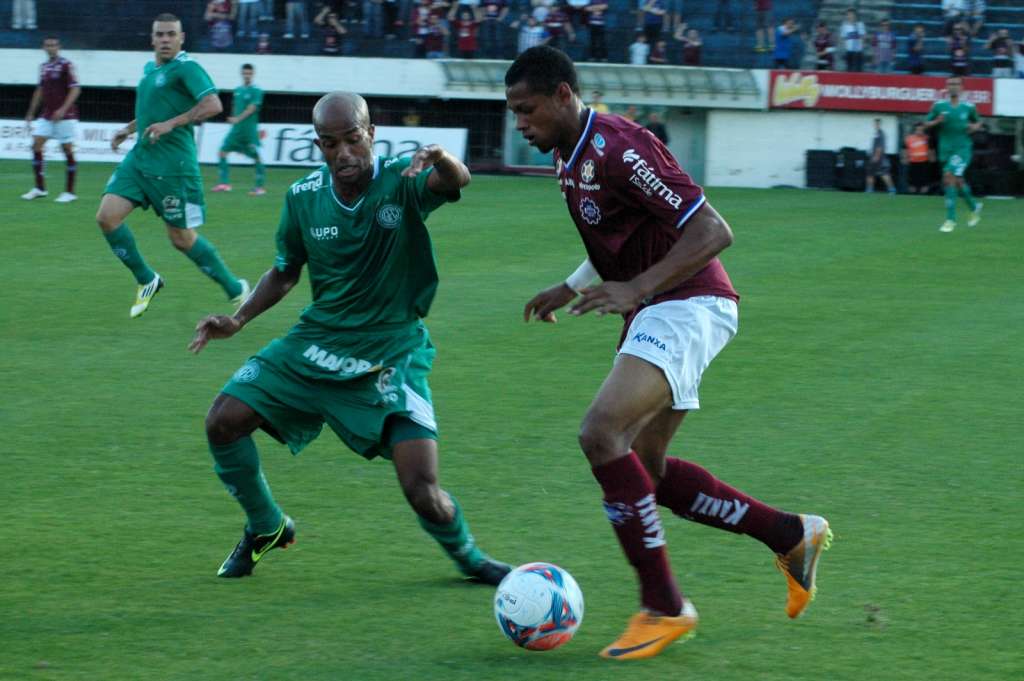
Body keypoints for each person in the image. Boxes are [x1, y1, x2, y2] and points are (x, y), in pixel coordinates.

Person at [505, 45, 831, 661]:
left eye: (528, 110)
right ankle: (789, 533)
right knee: (645, 471)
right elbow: (622, 231)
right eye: (514, 113)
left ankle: (664, 606)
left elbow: (712, 230)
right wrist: (570, 285)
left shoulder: (620, 147)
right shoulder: (568, 155)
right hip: (657, 307)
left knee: (601, 434)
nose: (521, 123)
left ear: (564, 96)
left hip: (688, 305)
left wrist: (635, 288)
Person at [188, 91, 511, 585]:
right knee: (222, 421)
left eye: (352, 140)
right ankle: (267, 526)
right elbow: (285, 272)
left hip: (390, 349)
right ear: (318, 144)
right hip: (315, 342)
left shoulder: (401, 180)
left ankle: (469, 558)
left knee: (422, 487)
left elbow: (454, 181)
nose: (343, 153)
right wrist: (240, 319)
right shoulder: (302, 197)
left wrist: (442, 156)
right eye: (330, 143)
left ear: (371, 134)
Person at [96, 14, 249, 318]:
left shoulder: (187, 68)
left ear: (181, 39)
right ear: (152, 39)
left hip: (173, 167)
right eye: (160, 35)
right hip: (140, 161)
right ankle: (147, 279)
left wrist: (172, 123)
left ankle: (236, 289)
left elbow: (213, 104)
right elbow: (153, 113)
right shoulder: (150, 70)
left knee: (181, 239)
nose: (165, 39)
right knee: (106, 218)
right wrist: (128, 130)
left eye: (171, 34)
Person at [21, 36, 81, 204]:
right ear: (44, 47)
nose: (51, 47)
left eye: (54, 45)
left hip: (65, 116)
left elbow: (76, 90)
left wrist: (62, 109)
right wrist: (31, 112)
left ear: (58, 47)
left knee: (67, 150)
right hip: (47, 115)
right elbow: (39, 90)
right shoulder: (44, 67)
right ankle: (40, 188)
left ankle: (70, 192)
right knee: (36, 145)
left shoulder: (66, 65)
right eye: (48, 45)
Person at [924, 75, 983, 232]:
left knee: (949, 177)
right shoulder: (938, 106)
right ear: (946, 87)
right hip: (945, 150)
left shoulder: (969, 107)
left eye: (956, 84)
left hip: (962, 149)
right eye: (950, 84)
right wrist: (936, 122)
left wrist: (975, 127)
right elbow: (925, 124)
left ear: (962, 87)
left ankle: (950, 220)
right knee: (957, 181)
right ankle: (974, 207)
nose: (953, 86)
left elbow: (978, 121)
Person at [212, 64, 266, 196]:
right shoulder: (238, 90)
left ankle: (259, 187)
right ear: (241, 74)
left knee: (257, 158)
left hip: (248, 131)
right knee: (222, 153)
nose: (247, 75)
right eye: (245, 73)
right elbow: (236, 107)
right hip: (236, 131)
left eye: (249, 73)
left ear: (253, 74)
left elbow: (252, 108)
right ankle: (224, 184)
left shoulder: (256, 90)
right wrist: (234, 120)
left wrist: (238, 119)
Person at [866, 118, 896, 195]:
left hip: (879, 158)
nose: (876, 125)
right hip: (875, 157)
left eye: (877, 124)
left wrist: (876, 156)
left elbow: (880, 147)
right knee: (870, 174)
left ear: (880, 124)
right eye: (875, 124)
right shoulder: (876, 133)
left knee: (884, 174)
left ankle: (892, 189)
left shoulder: (881, 133)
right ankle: (870, 189)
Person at [903, 122, 933, 194]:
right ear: (915, 130)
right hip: (912, 163)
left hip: (924, 163)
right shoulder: (909, 138)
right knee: (912, 183)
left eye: (921, 130)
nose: (919, 131)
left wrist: (931, 160)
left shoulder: (927, 138)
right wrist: (905, 159)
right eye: (918, 130)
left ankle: (923, 197)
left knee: (924, 183)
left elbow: (931, 150)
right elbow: (904, 149)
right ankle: (913, 197)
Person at [840, 8, 865, 72]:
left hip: (858, 51)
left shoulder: (860, 24)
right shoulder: (844, 26)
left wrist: (861, 48)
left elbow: (863, 37)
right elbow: (843, 38)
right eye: (848, 15)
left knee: (858, 70)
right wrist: (845, 48)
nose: (850, 16)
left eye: (852, 14)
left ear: (855, 15)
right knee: (849, 69)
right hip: (849, 51)